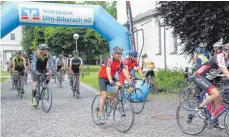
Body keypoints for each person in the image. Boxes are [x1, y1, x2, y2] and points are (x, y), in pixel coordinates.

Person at [193, 43, 229, 129]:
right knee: (216, 93)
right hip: (200, 76)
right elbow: (226, 72)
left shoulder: (227, 60)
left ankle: (214, 120)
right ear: (227, 51)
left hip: (208, 79)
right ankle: (199, 108)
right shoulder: (220, 57)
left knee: (218, 98)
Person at [98, 46, 132, 124]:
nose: (119, 55)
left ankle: (111, 100)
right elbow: (108, 71)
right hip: (103, 77)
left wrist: (130, 82)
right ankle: (101, 115)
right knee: (103, 95)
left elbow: (124, 72)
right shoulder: (109, 59)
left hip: (111, 78)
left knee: (120, 86)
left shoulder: (121, 61)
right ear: (114, 53)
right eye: (118, 54)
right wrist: (110, 81)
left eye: (120, 54)